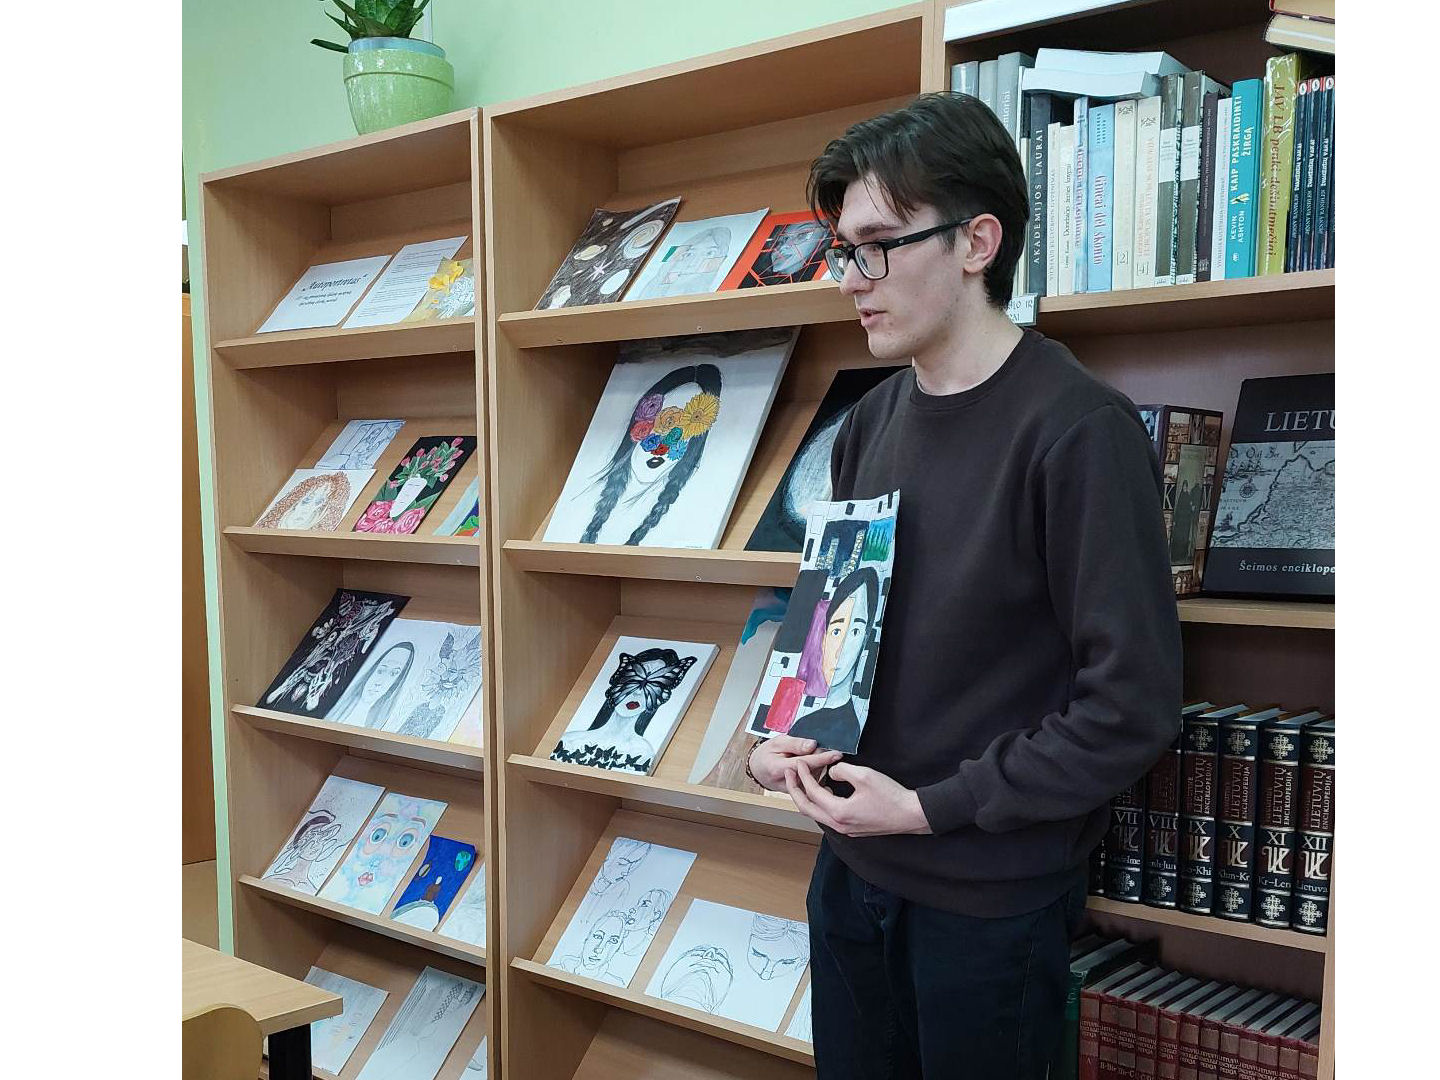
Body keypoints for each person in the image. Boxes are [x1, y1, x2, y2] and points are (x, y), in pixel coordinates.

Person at [745, 92, 1183, 1079]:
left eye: (877, 247)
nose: (850, 279)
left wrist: (930, 808)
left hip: (988, 905)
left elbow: (1131, 707)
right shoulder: (867, 423)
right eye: (843, 250)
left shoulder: (1080, 432)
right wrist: (779, 740)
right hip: (848, 873)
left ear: (978, 242)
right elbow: (831, 631)